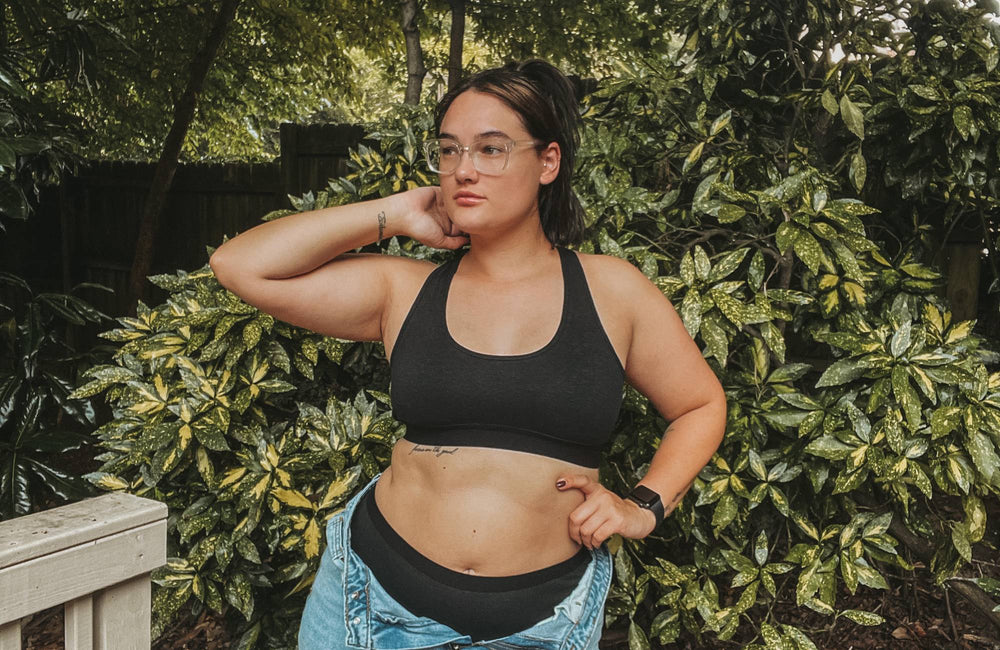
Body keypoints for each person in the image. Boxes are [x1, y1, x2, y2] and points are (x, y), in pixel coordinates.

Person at [210, 59, 727, 650]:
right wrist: (398, 213)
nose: (463, 171)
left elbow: (701, 404)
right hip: (367, 603)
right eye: (449, 151)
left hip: (539, 625)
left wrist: (644, 506)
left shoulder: (614, 292)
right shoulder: (404, 290)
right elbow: (240, 265)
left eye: (491, 149)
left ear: (548, 162)